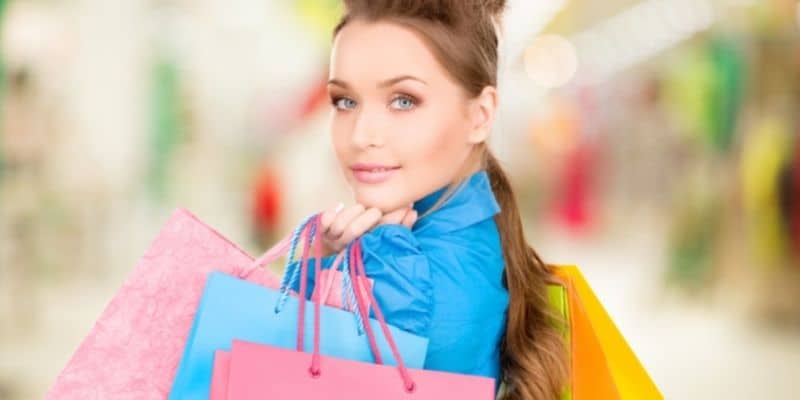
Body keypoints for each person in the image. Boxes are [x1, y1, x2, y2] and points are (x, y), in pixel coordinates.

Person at [290, 1, 568, 398]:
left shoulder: (413, 280)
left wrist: (330, 272)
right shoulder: (455, 236)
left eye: (403, 100)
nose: (362, 135)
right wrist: (331, 263)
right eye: (344, 101)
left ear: (480, 115)